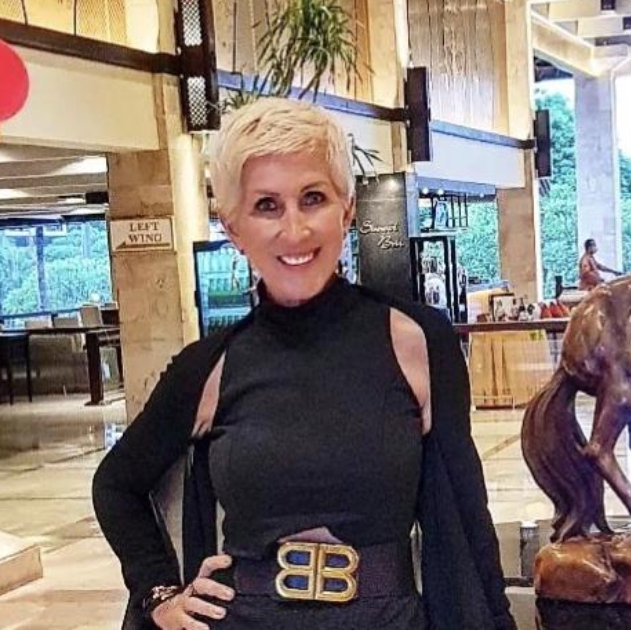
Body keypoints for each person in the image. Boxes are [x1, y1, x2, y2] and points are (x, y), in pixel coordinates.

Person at [92, 97, 515, 630]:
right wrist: (159, 594)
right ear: (233, 228)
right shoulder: (210, 367)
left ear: (347, 209)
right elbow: (116, 485)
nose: (294, 230)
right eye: (266, 206)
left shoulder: (416, 342)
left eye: (312, 198)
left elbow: (468, 519)